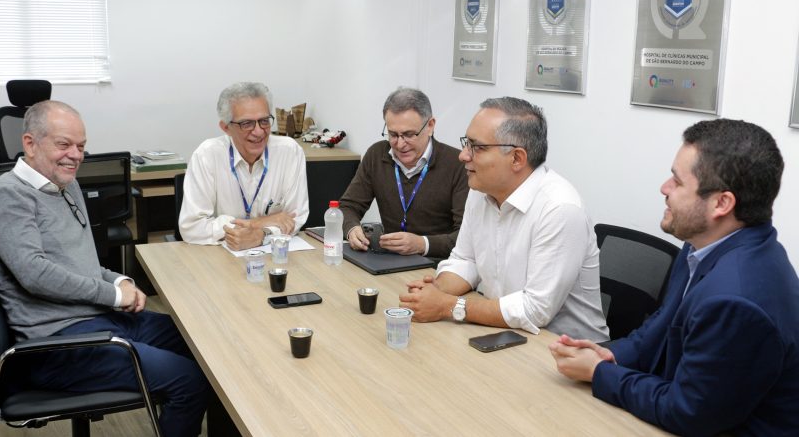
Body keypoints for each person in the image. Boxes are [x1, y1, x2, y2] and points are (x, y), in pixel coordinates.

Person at [549, 119, 799, 435]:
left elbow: (688, 412)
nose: (664, 188)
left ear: (721, 203)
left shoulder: (736, 300)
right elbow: (663, 324)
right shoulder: (703, 243)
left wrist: (601, 373)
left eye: (678, 182)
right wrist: (611, 354)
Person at [0, 101, 208, 436]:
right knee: (189, 380)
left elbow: (81, 264)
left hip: (97, 319)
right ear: (30, 143)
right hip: (56, 344)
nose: (75, 155)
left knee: (205, 344)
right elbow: (35, 274)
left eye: (81, 146)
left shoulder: (67, 185)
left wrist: (122, 280)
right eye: (64, 144)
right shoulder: (9, 194)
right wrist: (113, 294)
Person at [400, 97, 608, 341]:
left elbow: (535, 310)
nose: (463, 156)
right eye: (466, 143)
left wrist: (447, 305)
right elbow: (466, 259)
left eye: (477, 147)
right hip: (505, 332)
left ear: (517, 159)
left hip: (565, 350)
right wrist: (435, 291)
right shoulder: (481, 190)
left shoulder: (560, 208)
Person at [339, 87, 468, 259]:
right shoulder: (377, 155)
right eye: (393, 134)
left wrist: (422, 244)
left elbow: (467, 237)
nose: (400, 144)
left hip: (436, 265)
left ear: (430, 126)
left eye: (408, 135)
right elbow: (348, 207)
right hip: (388, 260)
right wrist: (351, 229)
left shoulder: (457, 164)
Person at [179, 82, 309, 250]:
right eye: (246, 124)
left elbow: (295, 218)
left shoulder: (290, 152)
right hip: (220, 258)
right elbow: (192, 228)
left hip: (276, 255)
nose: (259, 132)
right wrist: (259, 223)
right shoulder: (207, 155)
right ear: (226, 127)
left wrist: (261, 235)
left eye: (264, 121)